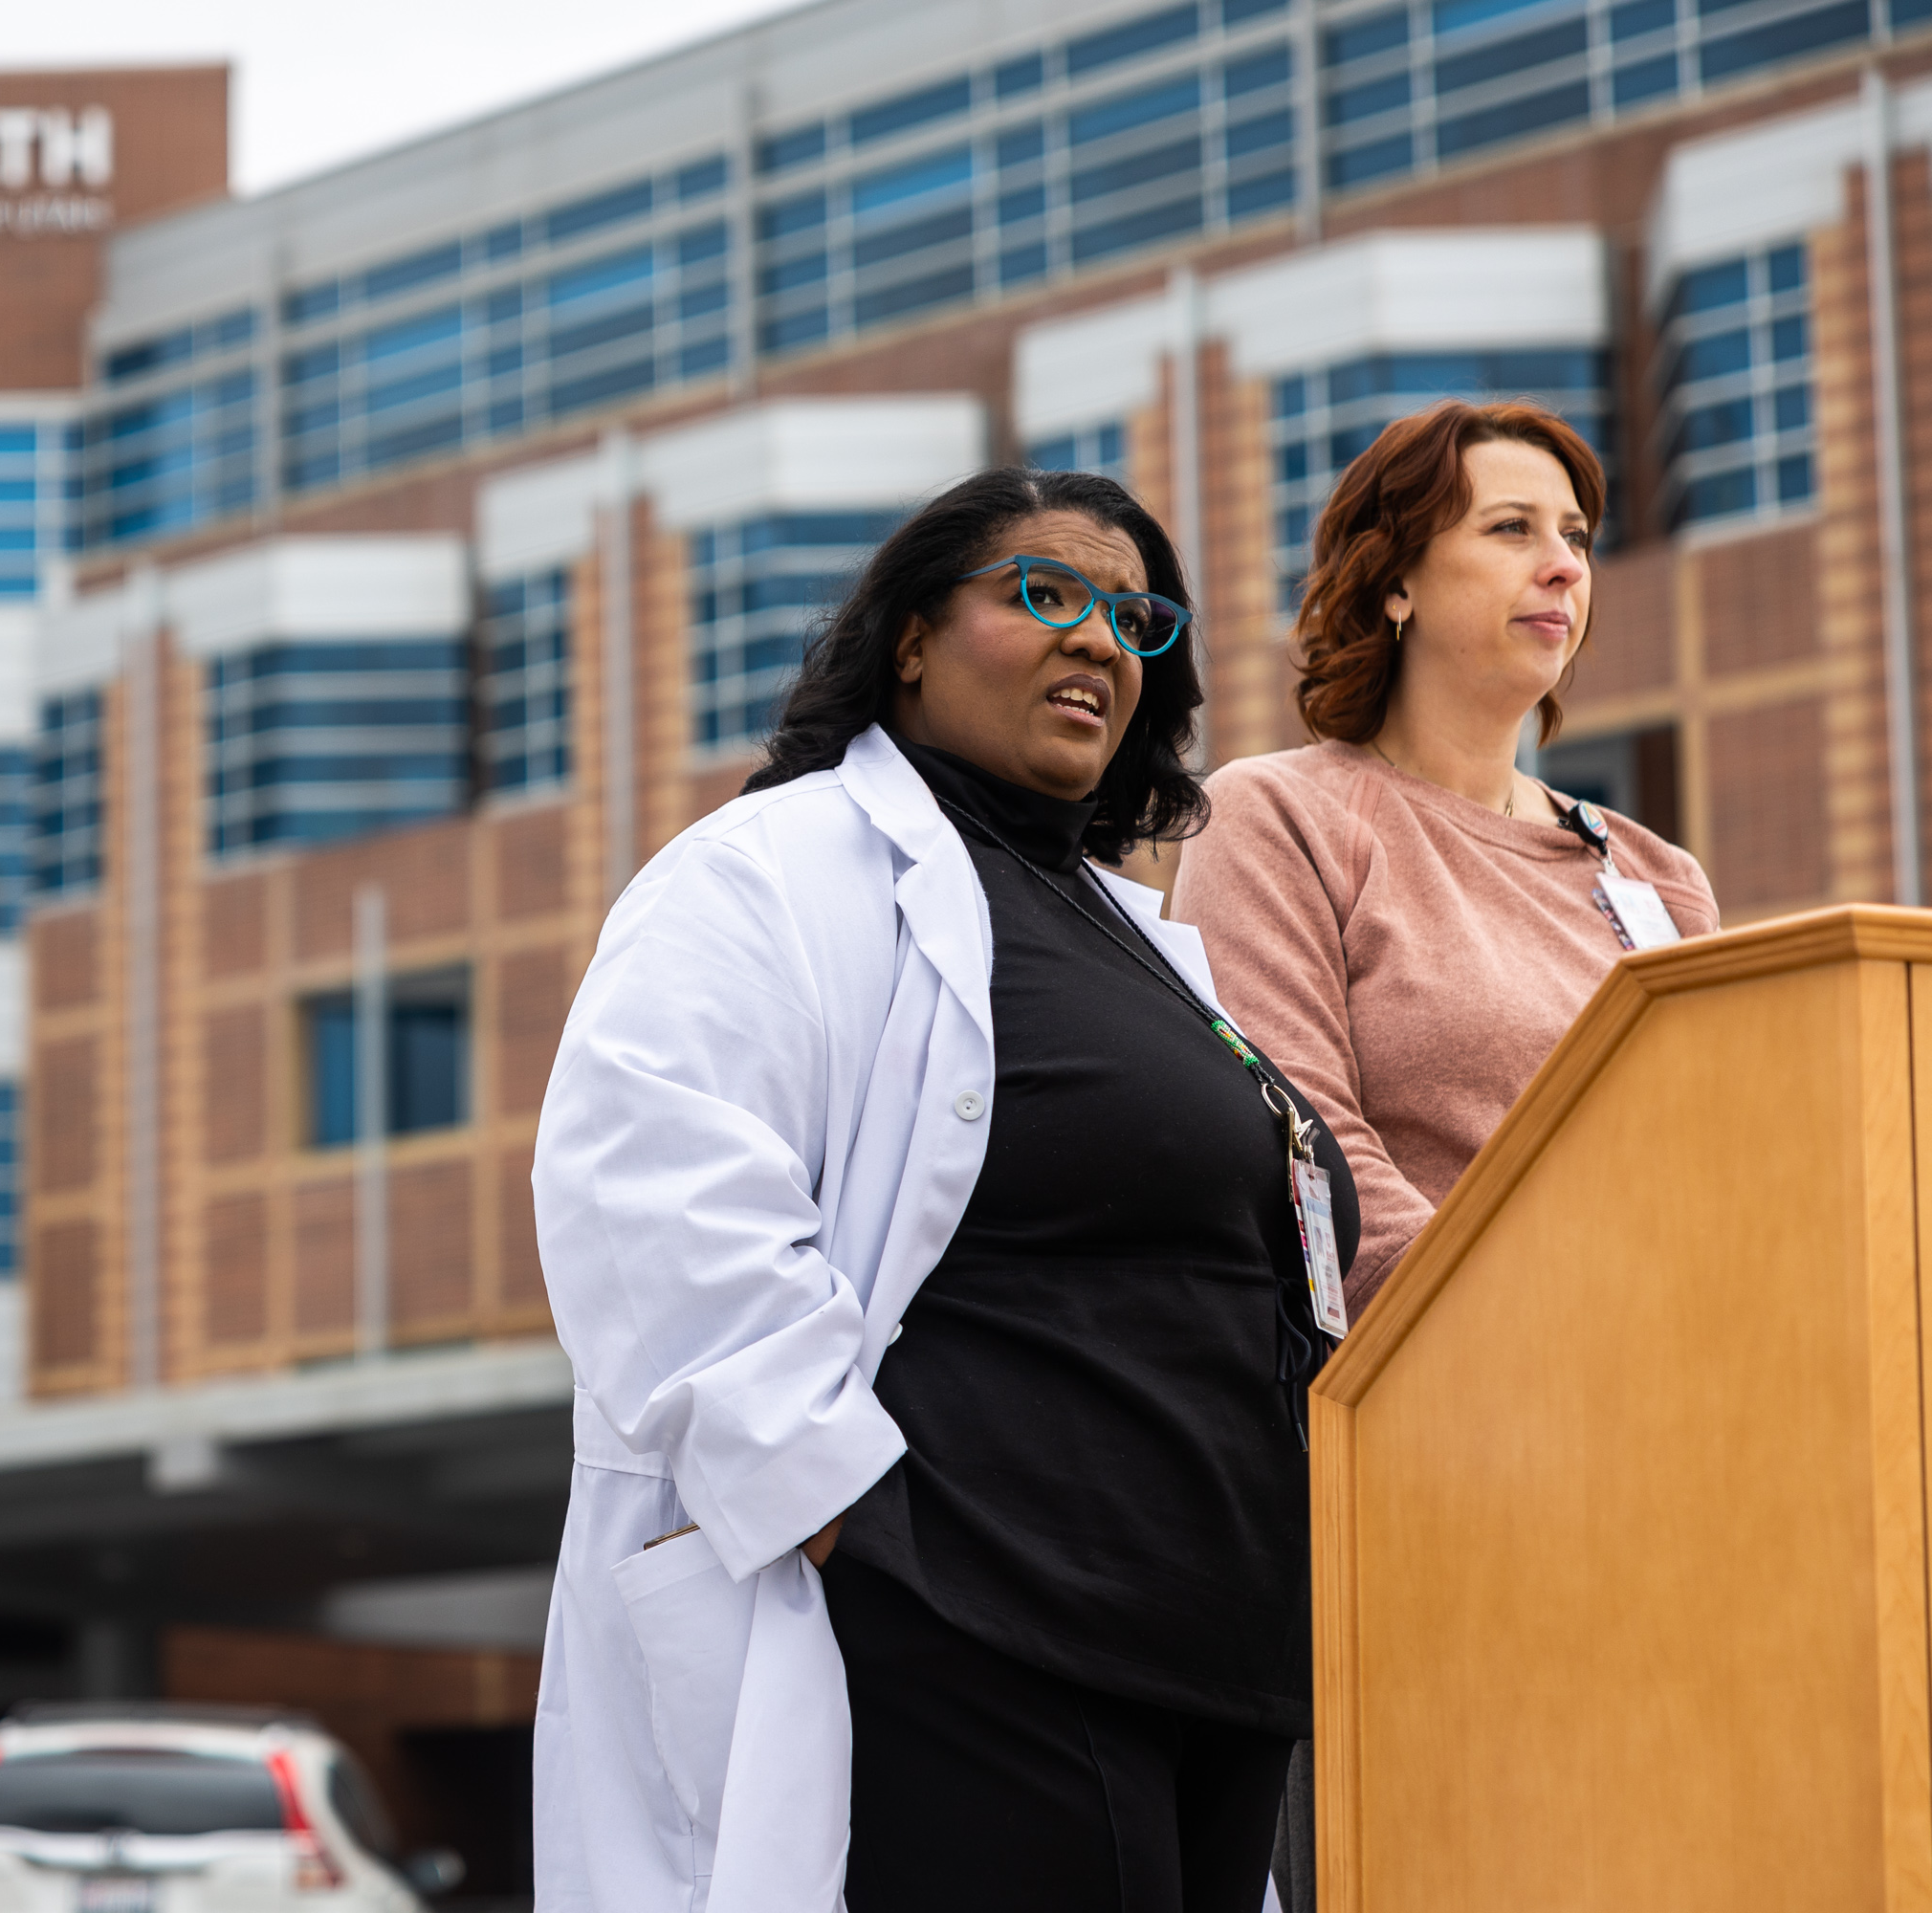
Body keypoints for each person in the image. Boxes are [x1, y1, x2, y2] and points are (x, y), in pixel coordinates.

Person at [531, 466, 1355, 1913]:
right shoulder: (769, 871)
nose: (1099, 639)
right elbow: (648, 1183)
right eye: (1046, 592)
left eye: (1136, 619)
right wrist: (856, 1519)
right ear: (909, 637)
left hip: (1211, 1656)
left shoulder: (1123, 930)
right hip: (989, 1634)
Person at [1171, 400, 1718, 1320]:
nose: (1564, 565)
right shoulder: (1280, 816)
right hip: (1438, 1368)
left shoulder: (1660, 876)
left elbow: (1719, 1154)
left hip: (1682, 1358)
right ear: (1396, 582)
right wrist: (1525, 1329)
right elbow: (1300, 1144)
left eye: (1576, 537)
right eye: (1511, 529)